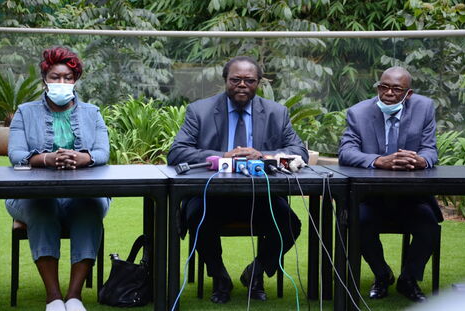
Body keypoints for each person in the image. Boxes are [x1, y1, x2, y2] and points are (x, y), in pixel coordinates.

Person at [168, 56, 309, 304]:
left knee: (290, 223)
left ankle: (255, 272)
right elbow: (177, 152)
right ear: (225, 80)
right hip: (211, 196)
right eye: (235, 79)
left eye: (249, 80)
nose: (242, 85)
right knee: (196, 218)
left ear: (258, 83)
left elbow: (300, 152)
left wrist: (263, 155)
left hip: (261, 196)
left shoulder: (277, 112)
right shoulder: (200, 111)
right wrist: (223, 155)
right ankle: (219, 276)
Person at [6, 46, 110, 311]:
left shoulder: (92, 113)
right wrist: (46, 159)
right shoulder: (24, 112)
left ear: (75, 80)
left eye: (67, 77)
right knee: (42, 206)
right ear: (45, 79)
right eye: (55, 77)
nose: (61, 83)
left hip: (82, 193)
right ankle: (53, 297)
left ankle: (74, 297)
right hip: (30, 195)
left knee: (90, 207)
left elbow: (102, 152)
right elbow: (16, 153)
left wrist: (81, 158)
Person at [339, 66, 443, 302]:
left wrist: (421, 160)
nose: (388, 93)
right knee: (359, 224)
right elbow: (346, 152)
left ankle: (408, 279)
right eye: (383, 87)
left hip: (411, 197)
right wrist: (378, 161)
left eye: (397, 89)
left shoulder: (424, 108)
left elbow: (430, 149)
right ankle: (382, 274)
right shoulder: (358, 113)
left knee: (429, 227)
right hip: (371, 197)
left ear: (409, 93)